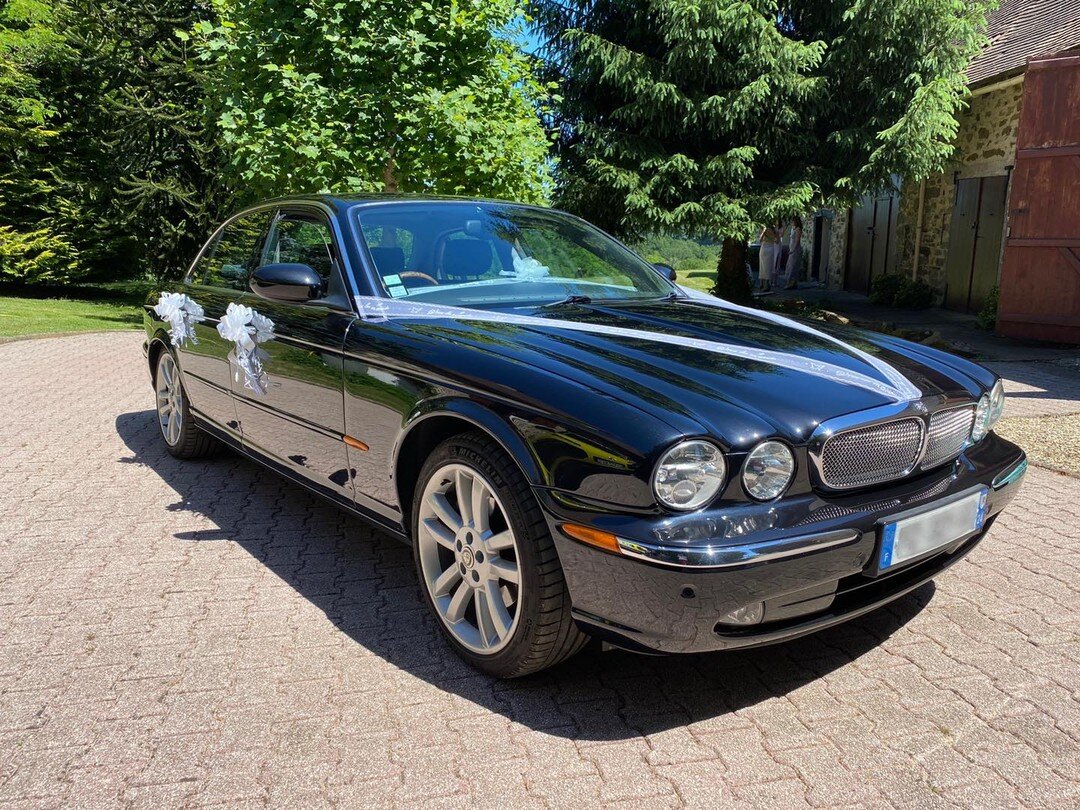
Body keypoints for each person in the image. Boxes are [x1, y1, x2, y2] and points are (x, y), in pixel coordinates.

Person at [758, 222, 779, 292]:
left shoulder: (765, 230)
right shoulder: (775, 231)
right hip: (771, 248)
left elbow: (760, 240)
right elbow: (777, 241)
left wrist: (764, 233)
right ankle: (766, 284)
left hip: (764, 248)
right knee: (768, 267)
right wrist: (773, 238)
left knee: (763, 267)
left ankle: (764, 285)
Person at [784, 216, 802, 289]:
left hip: (795, 250)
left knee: (793, 266)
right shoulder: (792, 229)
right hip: (791, 249)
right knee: (789, 266)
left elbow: (797, 241)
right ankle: (792, 283)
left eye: (793, 221)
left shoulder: (798, 229)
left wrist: (793, 249)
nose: (792, 222)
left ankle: (791, 283)